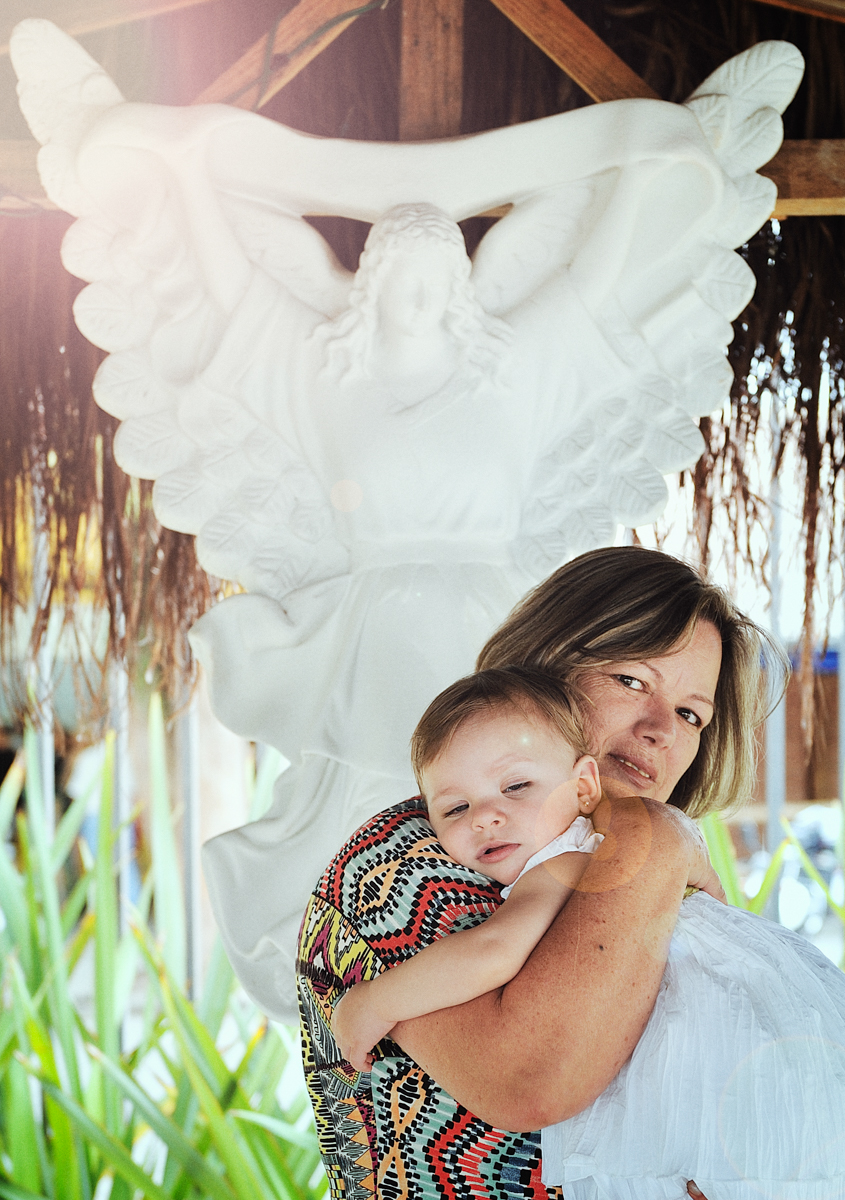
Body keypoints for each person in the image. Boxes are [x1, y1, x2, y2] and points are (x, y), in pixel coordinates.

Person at [297, 545, 787, 1200]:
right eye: (631, 681)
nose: (659, 730)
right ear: (547, 664)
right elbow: (531, 1082)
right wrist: (659, 835)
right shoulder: (410, 858)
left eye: (690, 714)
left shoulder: (627, 874)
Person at [332, 667, 845, 1198]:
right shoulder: (589, 843)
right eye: (455, 808)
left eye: (516, 788)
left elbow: (495, 949)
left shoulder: (568, 858)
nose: (486, 816)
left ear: (582, 788)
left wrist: (374, 1001)